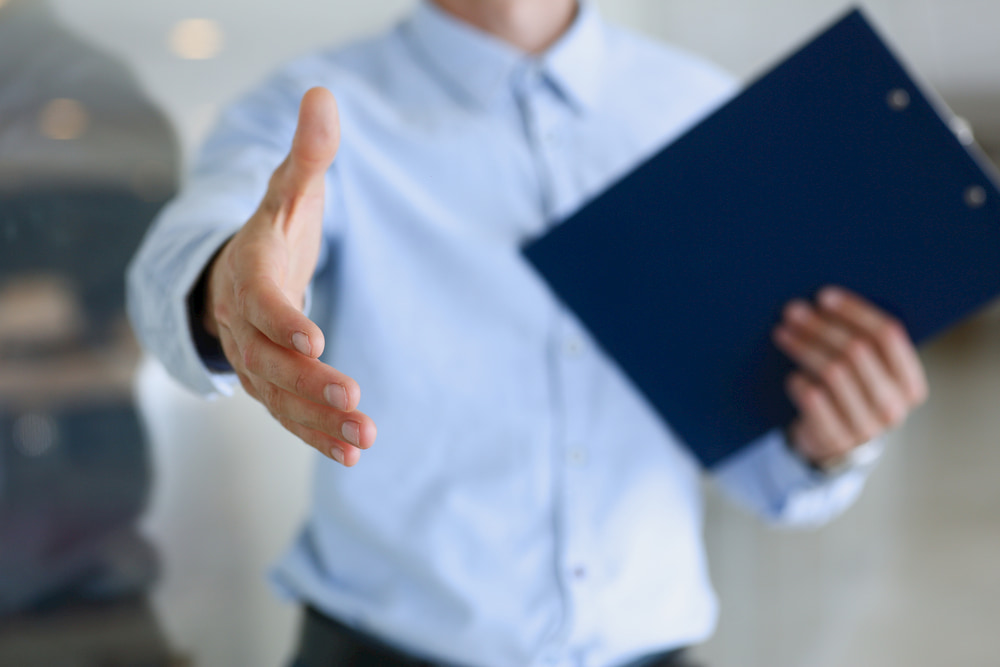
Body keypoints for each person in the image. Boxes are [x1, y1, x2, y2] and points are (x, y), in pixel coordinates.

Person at [127, 1, 928, 665]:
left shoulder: (702, 111)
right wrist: (220, 287)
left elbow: (767, 477)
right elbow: (185, 250)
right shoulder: (310, 112)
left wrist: (832, 441)